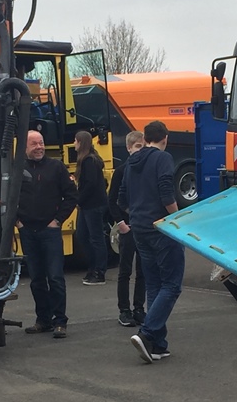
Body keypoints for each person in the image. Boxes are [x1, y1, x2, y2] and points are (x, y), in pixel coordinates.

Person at [118, 120, 184, 363]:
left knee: (154, 283)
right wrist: (177, 218)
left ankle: (158, 344)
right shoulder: (163, 158)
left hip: (139, 228)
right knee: (172, 285)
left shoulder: (131, 162)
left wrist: (137, 214)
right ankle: (146, 333)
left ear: (145, 139)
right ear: (165, 138)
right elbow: (166, 191)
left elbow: (121, 199)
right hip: (161, 227)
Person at [17, 130, 77, 339]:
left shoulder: (56, 167)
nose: (39, 147)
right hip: (28, 231)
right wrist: (17, 222)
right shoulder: (17, 169)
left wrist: (58, 220)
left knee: (55, 277)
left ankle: (60, 321)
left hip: (50, 231)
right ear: (24, 147)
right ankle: (43, 320)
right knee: (36, 279)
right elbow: (7, 197)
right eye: (34, 144)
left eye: (41, 143)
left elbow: (71, 195)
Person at [108, 130, 146, 327]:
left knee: (143, 270)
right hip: (128, 227)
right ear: (129, 148)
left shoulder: (147, 170)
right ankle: (124, 309)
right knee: (125, 270)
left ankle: (139, 308)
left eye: (144, 146)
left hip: (143, 227)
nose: (141, 150)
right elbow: (112, 200)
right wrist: (120, 223)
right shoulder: (121, 171)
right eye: (138, 146)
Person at [74, 130, 108, 286]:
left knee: (95, 238)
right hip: (89, 204)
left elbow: (90, 184)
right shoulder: (91, 159)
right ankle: (93, 267)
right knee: (83, 235)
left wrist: (79, 200)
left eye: (76, 141)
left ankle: (99, 272)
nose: (74, 144)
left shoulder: (89, 161)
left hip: (92, 205)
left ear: (81, 142)